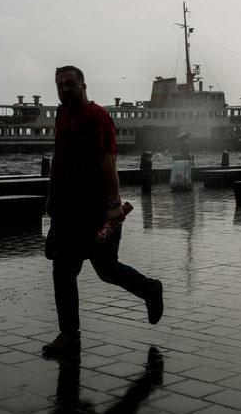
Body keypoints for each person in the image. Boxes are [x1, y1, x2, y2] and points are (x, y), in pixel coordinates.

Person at [43, 65, 163, 357]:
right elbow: (58, 160)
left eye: (70, 83)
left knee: (106, 270)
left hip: (96, 211)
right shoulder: (62, 115)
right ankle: (69, 335)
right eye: (60, 85)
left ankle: (150, 289)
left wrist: (113, 207)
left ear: (84, 86)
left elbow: (108, 164)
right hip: (67, 211)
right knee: (62, 269)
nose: (65, 89)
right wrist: (50, 200)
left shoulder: (98, 118)